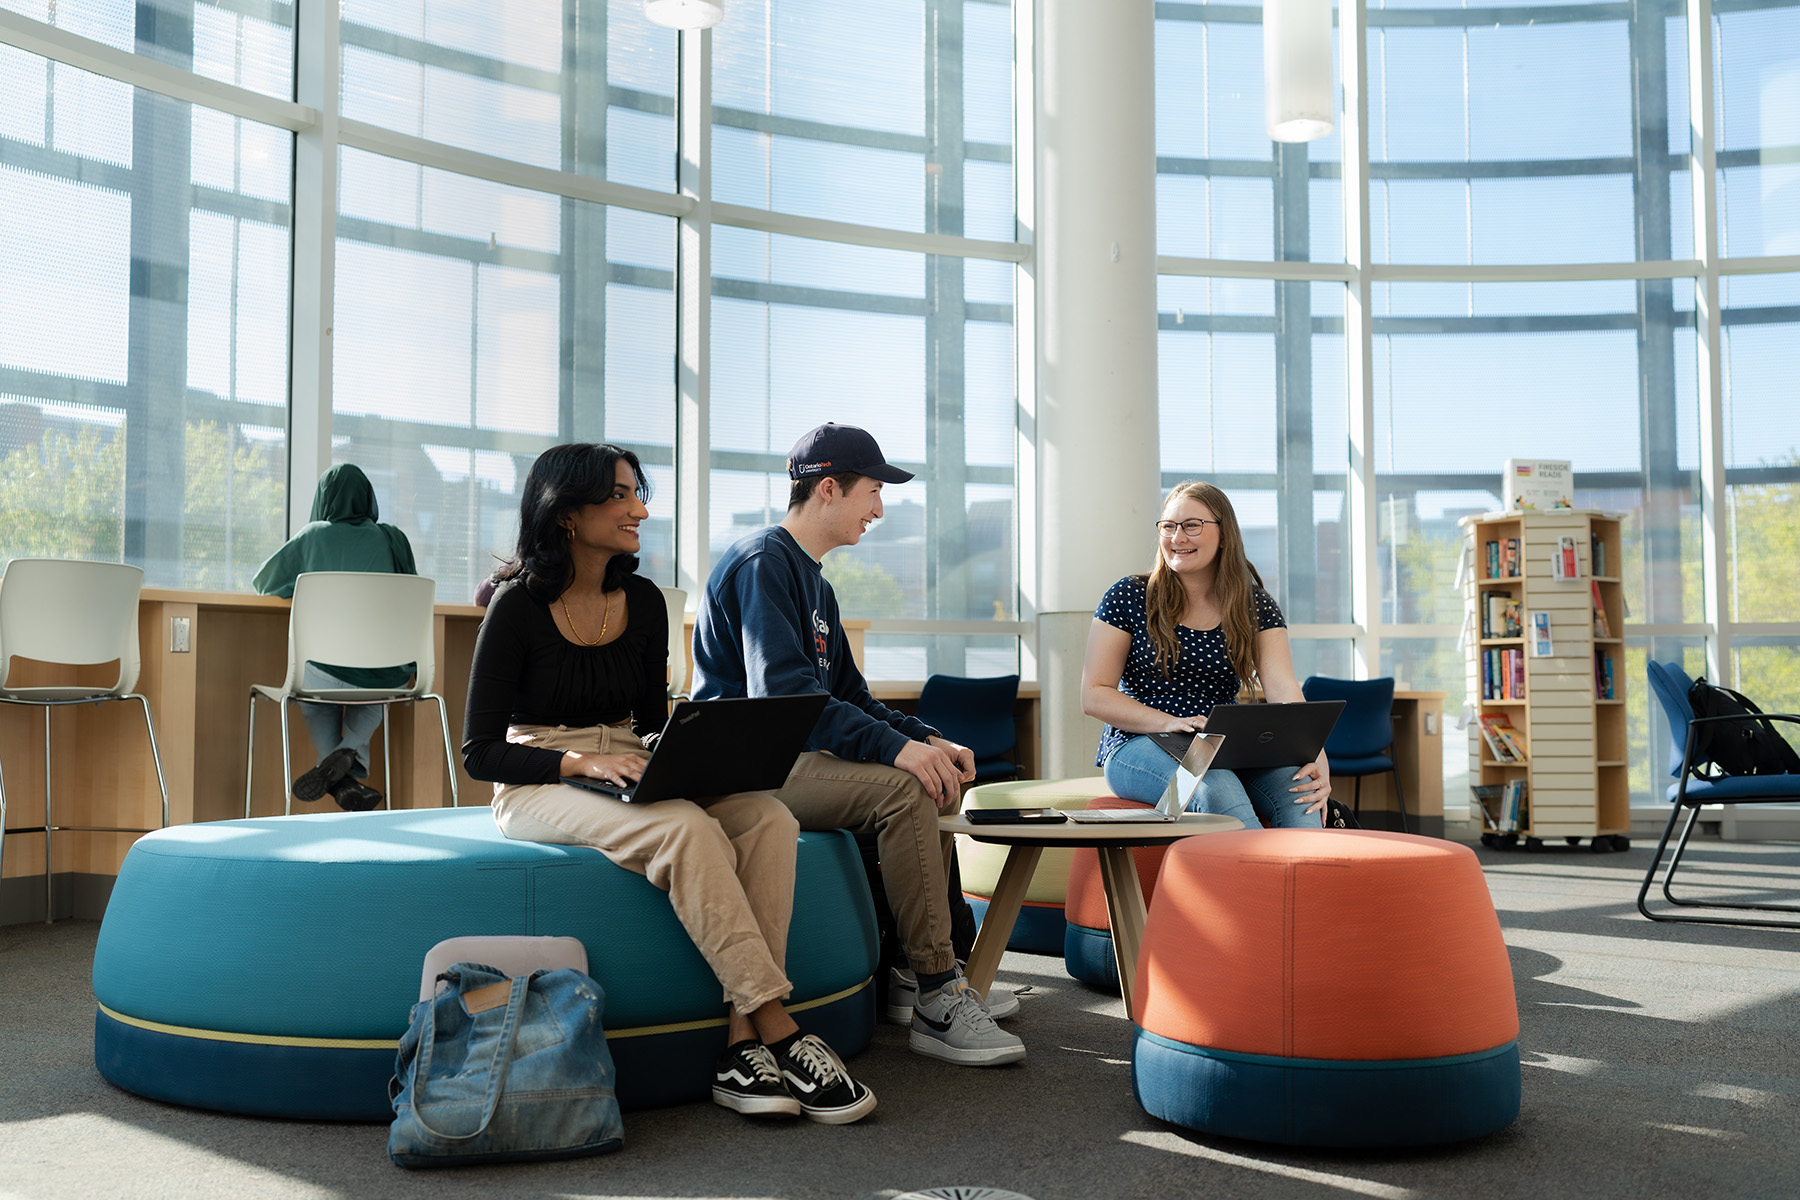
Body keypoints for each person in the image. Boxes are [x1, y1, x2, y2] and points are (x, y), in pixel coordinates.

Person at [461, 443, 875, 1125]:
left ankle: (741, 1048)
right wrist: (577, 764)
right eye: (622, 496)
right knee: (685, 828)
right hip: (538, 776)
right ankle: (777, 1024)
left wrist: (691, 752)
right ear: (567, 513)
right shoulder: (516, 607)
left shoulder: (646, 602)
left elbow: (652, 722)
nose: (641, 510)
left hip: (626, 758)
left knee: (767, 816)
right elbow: (480, 752)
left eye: (637, 493)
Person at [692, 423, 1025, 1068]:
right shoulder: (765, 561)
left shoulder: (816, 584)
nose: (879, 509)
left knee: (928, 771)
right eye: (873, 492)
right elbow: (785, 698)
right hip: (745, 769)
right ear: (828, 489)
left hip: (790, 759)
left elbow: (855, 698)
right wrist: (902, 757)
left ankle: (911, 971)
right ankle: (936, 992)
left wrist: (926, 738)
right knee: (905, 789)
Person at [1080, 480, 1331, 828]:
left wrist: (1316, 758)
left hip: (1223, 745)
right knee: (1217, 788)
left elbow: (1284, 689)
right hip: (1138, 743)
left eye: (1191, 526)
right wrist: (1168, 722)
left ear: (1224, 534)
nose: (1177, 538)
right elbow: (1094, 694)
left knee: (1301, 791)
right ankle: (1257, 880)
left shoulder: (1254, 604)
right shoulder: (1129, 595)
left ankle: (1299, 882)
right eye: (1168, 526)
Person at [252, 463, 416, 812]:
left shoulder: (314, 535)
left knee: (312, 692)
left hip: (322, 672)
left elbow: (264, 584)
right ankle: (347, 763)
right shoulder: (393, 539)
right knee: (380, 692)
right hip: (382, 673)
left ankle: (338, 779)